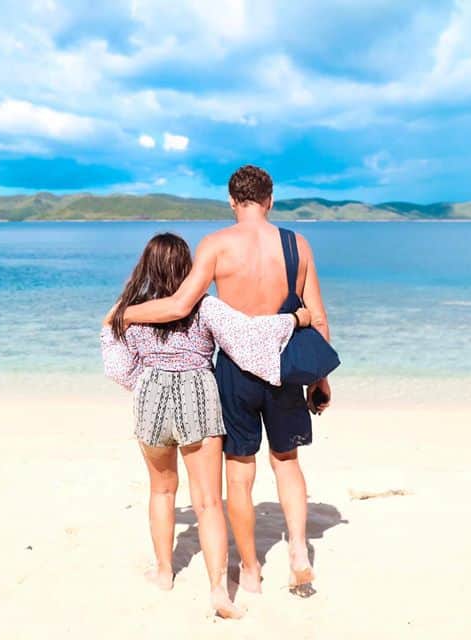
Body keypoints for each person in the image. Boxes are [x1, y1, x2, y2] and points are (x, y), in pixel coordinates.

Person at [121, 166, 332, 597]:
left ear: (233, 201)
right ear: (270, 199)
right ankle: (297, 553)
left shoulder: (216, 246)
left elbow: (182, 304)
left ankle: (251, 571)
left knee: (239, 473)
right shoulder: (297, 245)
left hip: (234, 372)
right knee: (287, 461)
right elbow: (319, 317)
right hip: (283, 367)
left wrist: (125, 314)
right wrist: (320, 379)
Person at [100, 232, 311, 618]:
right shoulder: (204, 306)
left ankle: (164, 574)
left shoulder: (130, 309)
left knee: (161, 491)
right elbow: (249, 336)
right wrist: (294, 319)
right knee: (209, 502)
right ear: (188, 268)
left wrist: (145, 381)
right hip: (197, 394)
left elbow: (115, 362)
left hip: (150, 395)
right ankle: (218, 591)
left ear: (144, 266)